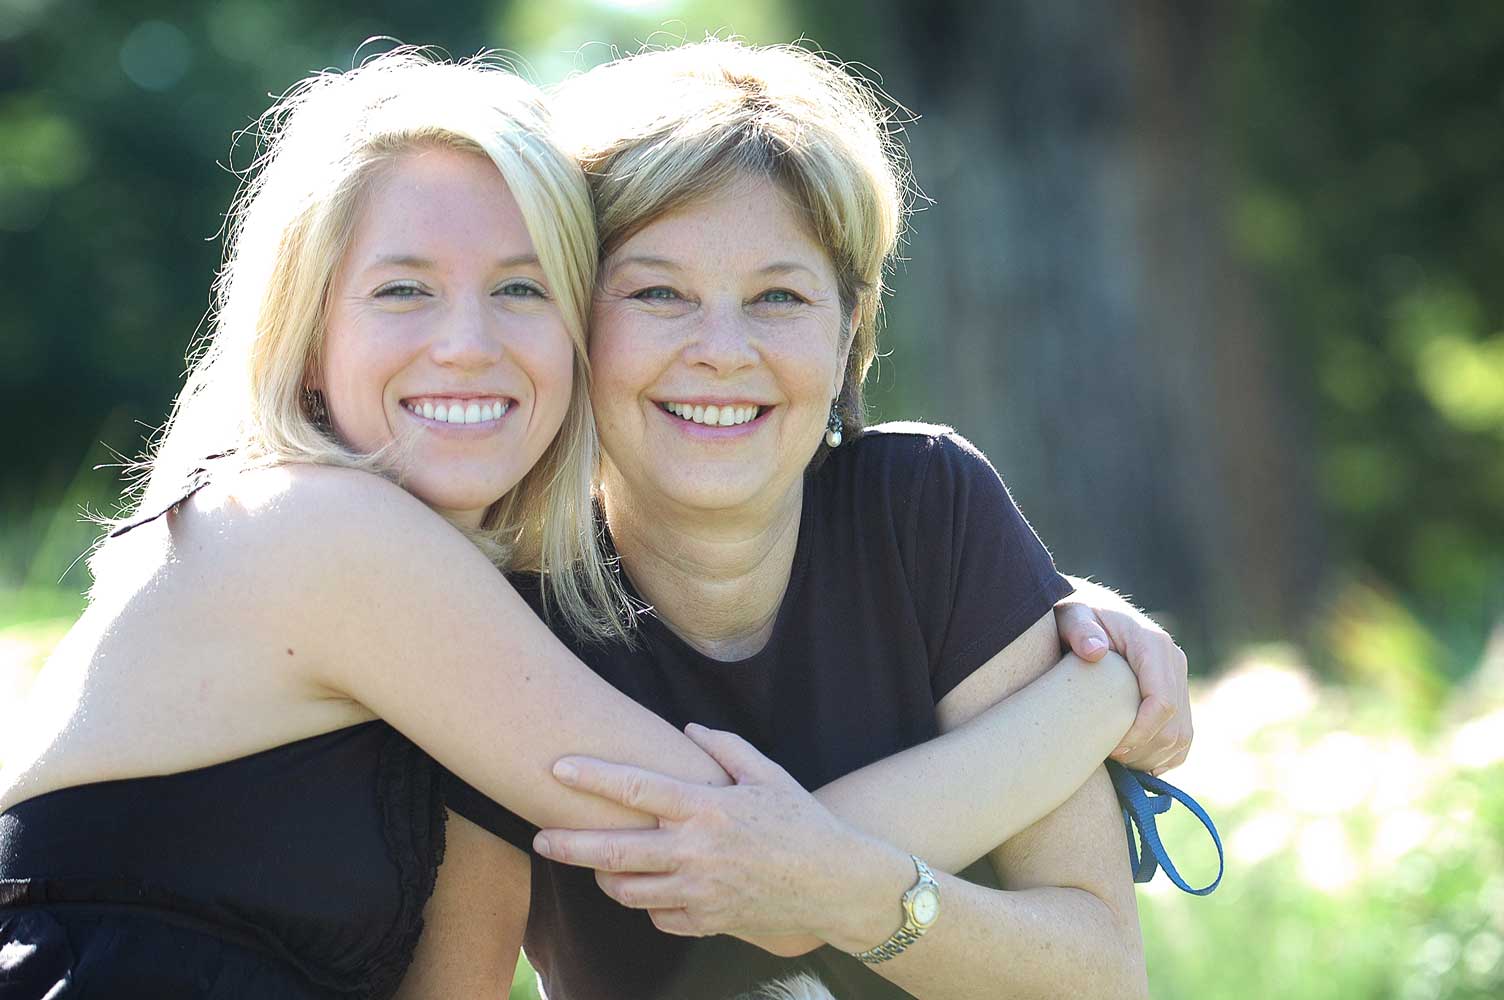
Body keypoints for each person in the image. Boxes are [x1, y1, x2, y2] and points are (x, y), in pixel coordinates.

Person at [0, 49, 1188, 1000]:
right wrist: (1091, 697)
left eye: (520, 287)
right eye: (403, 287)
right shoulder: (321, 532)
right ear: (306, 331)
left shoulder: (467, 593)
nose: (468, 340)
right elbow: (723, 854)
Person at [406, 38, 1211, 1000]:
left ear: (849, 331)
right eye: (658, 292)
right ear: (575, 322)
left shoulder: (927, 515)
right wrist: (1100, 696)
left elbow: (1102, 977)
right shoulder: (503, 614)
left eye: (778, 297)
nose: (721, 351)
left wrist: (849, 892)